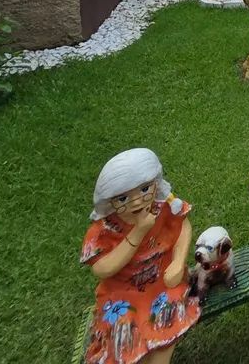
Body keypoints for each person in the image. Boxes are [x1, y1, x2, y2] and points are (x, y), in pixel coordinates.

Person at [80, 148, 199, 364]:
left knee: (166, 314)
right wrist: (139, 231)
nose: (136, 202)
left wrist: (178, 262)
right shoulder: (105, 229)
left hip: (162, 282)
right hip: (121, 293)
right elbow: (101, 268)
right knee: (123, 327)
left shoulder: (164, 208)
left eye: (145, 189)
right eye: (124, 197)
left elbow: (183, 227)